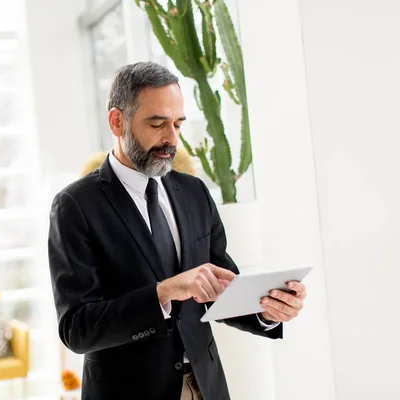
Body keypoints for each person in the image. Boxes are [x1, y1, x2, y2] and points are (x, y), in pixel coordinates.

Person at [47, 62, 307, 400]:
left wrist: (267, 310)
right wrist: (162, 293)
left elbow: (220, 286)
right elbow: (76, 329)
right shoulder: (75, 206)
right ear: (117, 121)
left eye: (178, 123)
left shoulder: (195, 193)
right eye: (156, 123)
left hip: (207, 386)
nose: (171, 138)